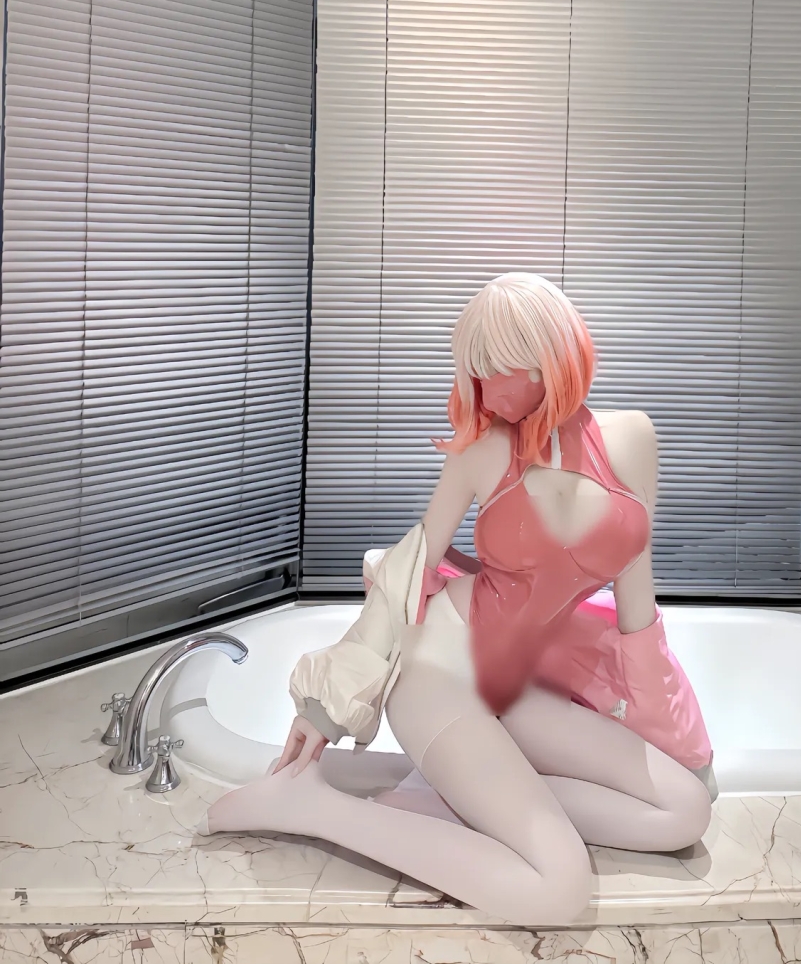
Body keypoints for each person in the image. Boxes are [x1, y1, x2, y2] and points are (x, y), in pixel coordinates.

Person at [207, 273, 713, 926]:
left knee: (684, 808)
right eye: (473, 372)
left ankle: (459, 798)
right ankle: (310, 805)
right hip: (439, 673)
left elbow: (635, 598)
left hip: (519, 686)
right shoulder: (484, 451)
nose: (484, 390)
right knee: (558, 889)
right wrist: (324, 704)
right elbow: (410, 566)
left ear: (549, 355)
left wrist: (665, 726)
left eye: (497, 369)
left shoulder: (632, 437)